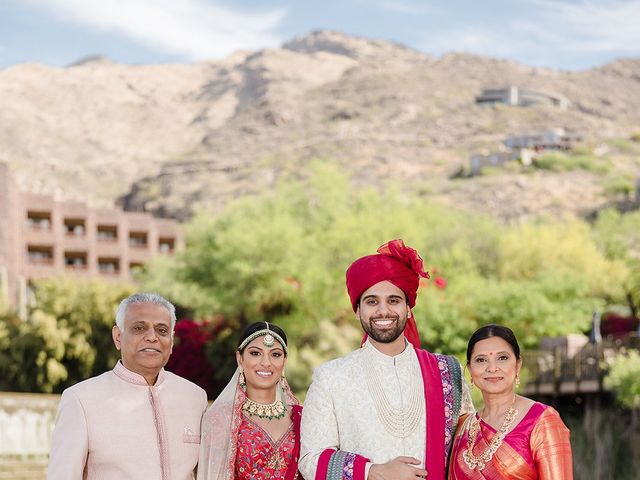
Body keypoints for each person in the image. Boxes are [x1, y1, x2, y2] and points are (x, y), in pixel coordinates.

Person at [299, 239, 474, 480]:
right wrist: (374, 472)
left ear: (408, 307)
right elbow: (311, 460)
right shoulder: (331, 377)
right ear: (358, 309)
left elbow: (469, 449)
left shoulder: (446, 372)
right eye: (372, 301)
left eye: (393, 300)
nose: (383, 311)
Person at [47, 292, 208, 480]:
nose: (152, 337)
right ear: (117, 336)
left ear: (171, 341)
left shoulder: (194, 397)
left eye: (162, 330)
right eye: (139, 328)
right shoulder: (81, 400)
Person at [448, 324, 573, 479]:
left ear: (517, 365)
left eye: (502, 358)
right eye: (481, 360)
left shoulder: (542, 420)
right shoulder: (462, 427)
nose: (492, 368)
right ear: (470, 369)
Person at [198, 321, 302, 480]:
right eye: (255, 353)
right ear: (240, 358)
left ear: (284, 360)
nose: (266, 363)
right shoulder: (221, 418)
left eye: (275, 354)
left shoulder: (302, 418)